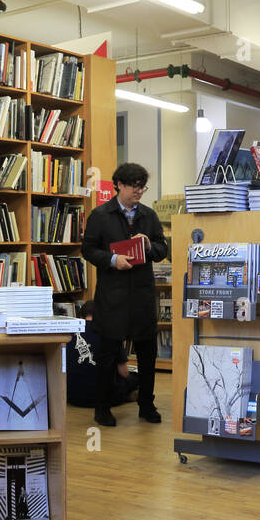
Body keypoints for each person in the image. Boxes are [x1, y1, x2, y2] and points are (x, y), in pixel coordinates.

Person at [80, 162, 169, 426]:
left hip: (142, 295)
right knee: (108, 355)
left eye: (143, 187)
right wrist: (112, 259)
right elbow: (88, 249)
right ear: (119, 184)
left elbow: (162, 248)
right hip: (113, 295)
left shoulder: (149, 215)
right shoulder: (101, 215)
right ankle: (103, 407)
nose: (139, 191)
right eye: (134, 186)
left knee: (147, 353)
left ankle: (147, 404)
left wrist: (148, 246)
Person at [66, 300, 138, 408]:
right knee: (135, 378)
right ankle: (129, 394)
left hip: (74, 398)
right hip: (106, 398)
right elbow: (124, 372)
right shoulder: (111, 333)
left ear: (81, 316)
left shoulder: (69, 332)